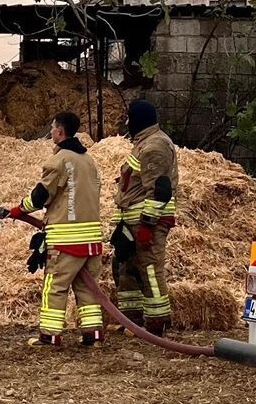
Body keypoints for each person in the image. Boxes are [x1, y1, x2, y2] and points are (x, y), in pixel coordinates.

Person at [7, 111, 105, 347]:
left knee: (55, 287)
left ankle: (50, 336)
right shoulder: (89, 161)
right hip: (92, 238)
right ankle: (93, 335)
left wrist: (20, 209)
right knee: (87, 289)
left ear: (60, 132)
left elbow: (41, 196)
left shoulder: (58, 161)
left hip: (66, 239)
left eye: (52, 128)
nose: (51, 131)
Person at [111, 98, 179, 336]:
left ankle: (156, 323)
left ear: (139, 119)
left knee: (150, 270)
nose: (127, 123)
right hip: (132, 221)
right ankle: (132, 321)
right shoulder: (144, 144)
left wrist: (148, 225)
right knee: (126, 269)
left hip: (146, 222)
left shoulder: (155, 147)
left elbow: (159, 191)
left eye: (129, 118)